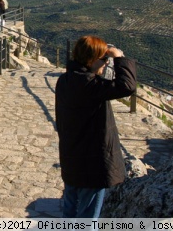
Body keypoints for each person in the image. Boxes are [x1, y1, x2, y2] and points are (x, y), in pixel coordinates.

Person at [55, 35, 136, 219]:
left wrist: (104, 59)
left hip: (72, 157)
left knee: (71, 209)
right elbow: (128, 86)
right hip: (91, 163)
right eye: (104, 60)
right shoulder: (89, 85)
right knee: (88, 217)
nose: (106, 64)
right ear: (91, 60)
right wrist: (119, 59)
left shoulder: (65, 81)